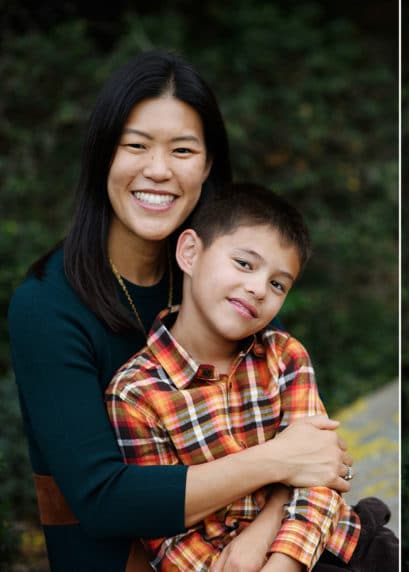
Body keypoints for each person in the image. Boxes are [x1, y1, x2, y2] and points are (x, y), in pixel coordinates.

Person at [8, 50, 352, 571]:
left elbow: (312, 446)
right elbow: (104, 500)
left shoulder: (228, 280)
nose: (158, 170)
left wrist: (270, 529)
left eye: (183, 150)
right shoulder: (47, 307)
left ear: (209, 164)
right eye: (136, 145)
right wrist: (277, 461)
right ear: (104, 155)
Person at [106, 182, 397, 572]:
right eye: (244, 264)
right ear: (190, 253)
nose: (259, 288)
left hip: (333, 544)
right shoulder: (137, 393)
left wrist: (278, 556)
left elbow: (320, 475)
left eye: (278, 284)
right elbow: (164, 532)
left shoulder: (283, 356)